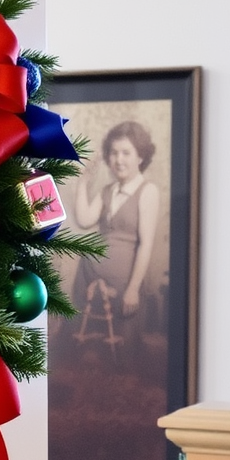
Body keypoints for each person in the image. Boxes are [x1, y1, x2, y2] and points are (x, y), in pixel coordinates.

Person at [72, 119, 161, 347]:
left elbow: (146, 244)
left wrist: (133, 289)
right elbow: (84, 220)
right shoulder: (107, 191)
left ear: (140, 157)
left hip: (124, 280)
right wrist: (83, 183)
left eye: (126, 153)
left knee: (122, 349)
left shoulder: (147, 191)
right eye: (113, 153)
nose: (118, 160)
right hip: (91, 273)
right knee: (84, 347)